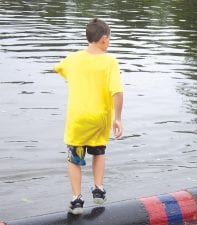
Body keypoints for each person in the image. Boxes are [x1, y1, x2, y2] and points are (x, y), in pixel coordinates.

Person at [54, 18, 123, 214]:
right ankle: (98, 189)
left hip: (77, 119)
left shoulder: (72, 58)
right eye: (109, 39)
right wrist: (118, 118)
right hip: (100, 117)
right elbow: (117, 92)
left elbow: (58, 68)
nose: (109, 43)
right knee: (99, 153)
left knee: (75, 159)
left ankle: (76, 200)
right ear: (103, 39)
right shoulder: (110, 61)